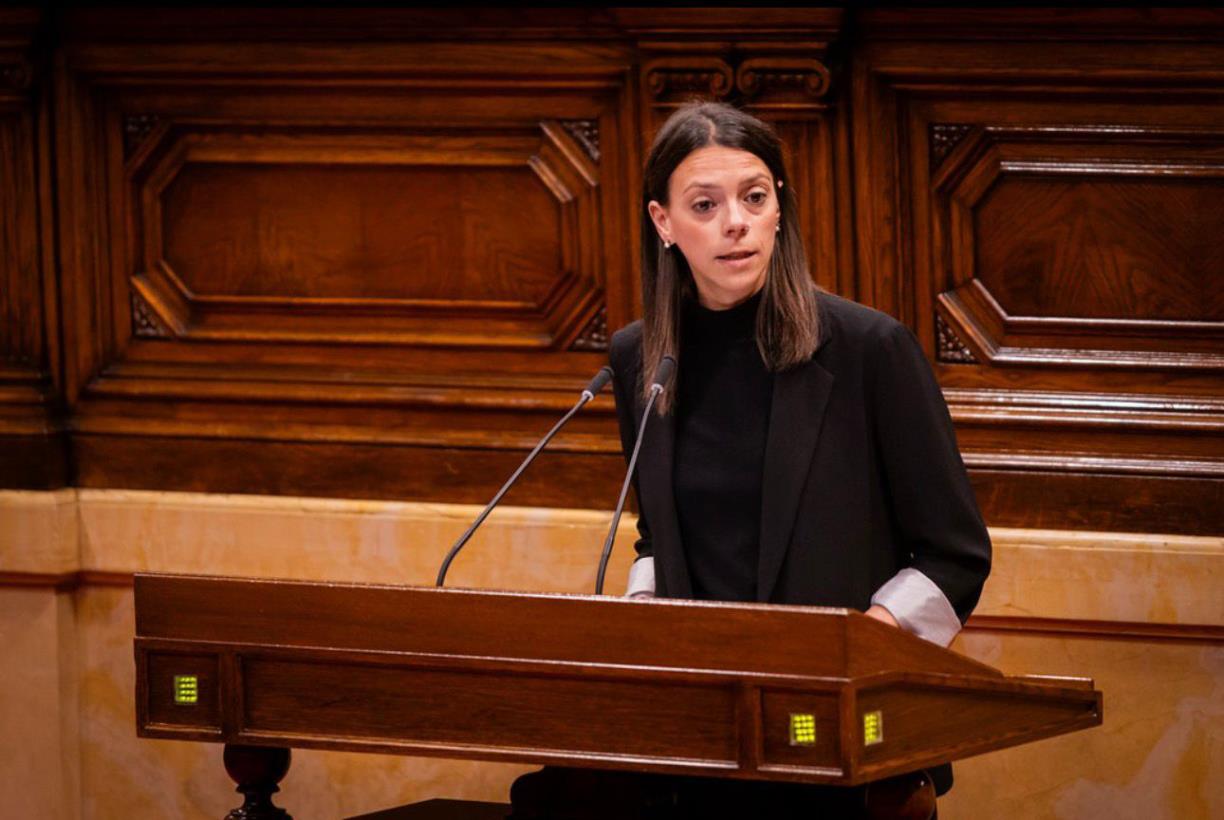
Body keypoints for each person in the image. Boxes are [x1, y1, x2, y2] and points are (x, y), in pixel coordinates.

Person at [511, 101, 991, 819]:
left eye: (754, 197)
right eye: (705, 204)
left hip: (833, 727)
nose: (734, 221)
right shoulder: (640, 358)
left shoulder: (869, 350)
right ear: (663, 223)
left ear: (777, 212)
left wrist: (859, 645)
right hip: (700, 733)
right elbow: (660, 534)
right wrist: (643, 619)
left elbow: (954, 554)